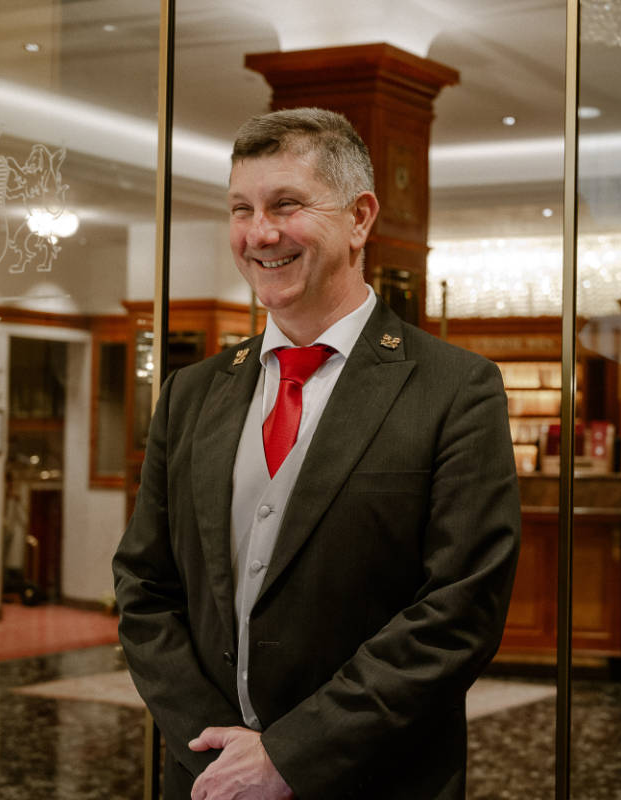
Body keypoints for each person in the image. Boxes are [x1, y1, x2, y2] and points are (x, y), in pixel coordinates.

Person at [112, 108, 521, 800]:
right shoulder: (191, 393)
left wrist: (287, 755)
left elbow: (460, 609)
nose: (259, 233)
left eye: (286, 204)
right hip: (207, 779)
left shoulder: (455, 389)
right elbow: (144, 588)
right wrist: (217, 748)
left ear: (360, 217)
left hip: (377, 780)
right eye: (241, 209)